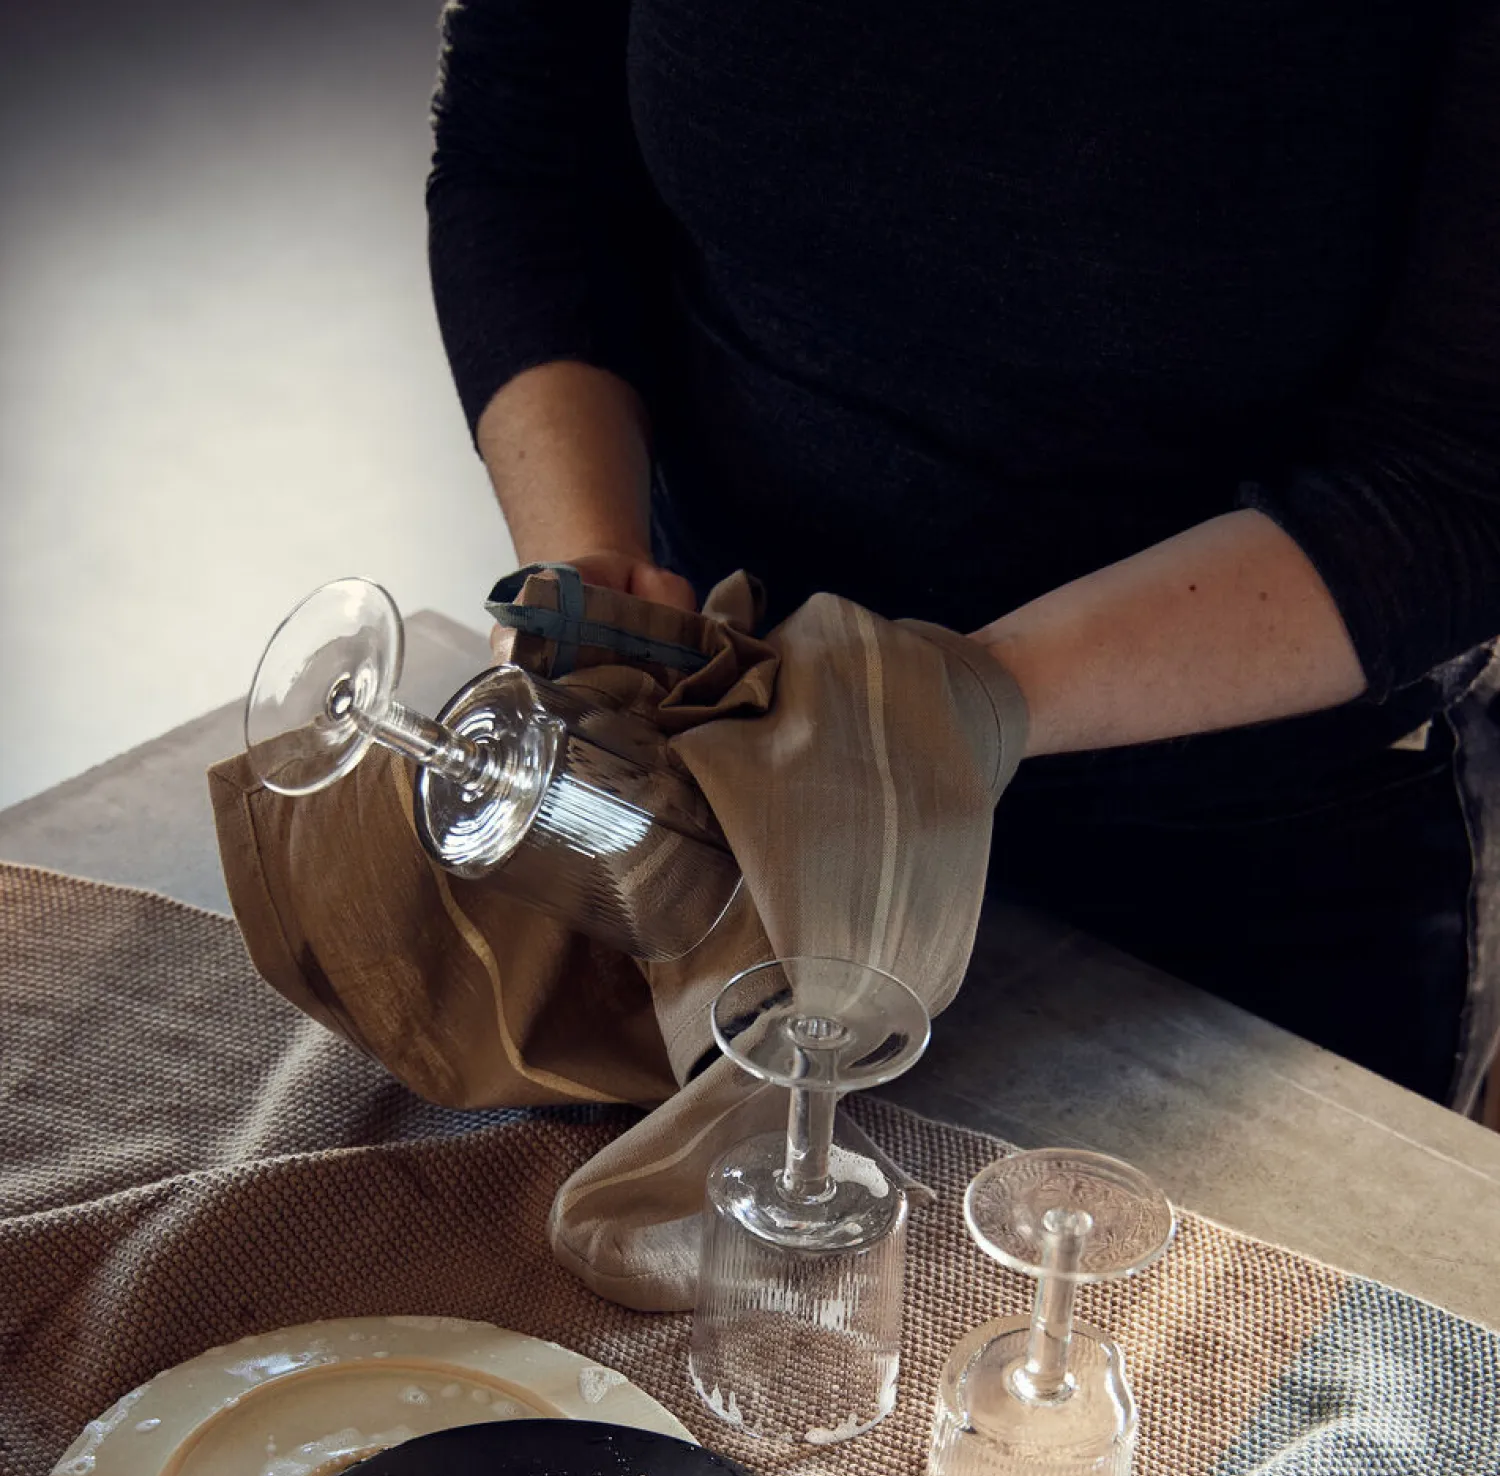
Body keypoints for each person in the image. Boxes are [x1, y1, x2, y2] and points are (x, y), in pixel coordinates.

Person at [425, 0, 1500, 1109]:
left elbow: (1463, 478)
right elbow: (525, 151)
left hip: (1244, 863)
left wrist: (958, 704)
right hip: (713, 774)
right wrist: (597, 563)